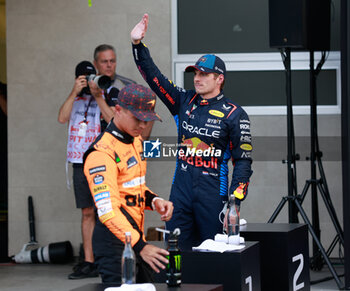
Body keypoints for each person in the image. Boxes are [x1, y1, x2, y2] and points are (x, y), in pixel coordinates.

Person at [130, 14, 253, 250]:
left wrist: (234, 202)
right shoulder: (183, 101)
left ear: (219, 79)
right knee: (177, 255)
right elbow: (154, 78)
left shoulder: (235, 114)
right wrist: (137, 45)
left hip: (213, 197)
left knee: (213, 258)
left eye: (204, 74)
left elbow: (243, 162)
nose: (197, 79)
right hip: (181, 194)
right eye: (195, 73)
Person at [58, 44, 143, 280]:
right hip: (80, 160)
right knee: (87, 212)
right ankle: (89, 260)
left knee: (108, 209)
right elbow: (62, 117)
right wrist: (75, 91)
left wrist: (99, 95)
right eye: (105, 62)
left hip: (107, 159)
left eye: (113, 61)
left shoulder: (117, 90)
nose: (109, 66)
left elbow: (114, 120)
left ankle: (114, 256)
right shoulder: (79, 92)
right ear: (95, 64)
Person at [83, 83, 174, 284]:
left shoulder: (137, 141)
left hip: (134, 237)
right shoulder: (101, 153)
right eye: (137, 119)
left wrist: (154, 201)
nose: (142, 125)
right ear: (118, 109)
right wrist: (141, 246)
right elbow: (108, 210)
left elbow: (134, 186)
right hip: (114, 243)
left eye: (146, 120)